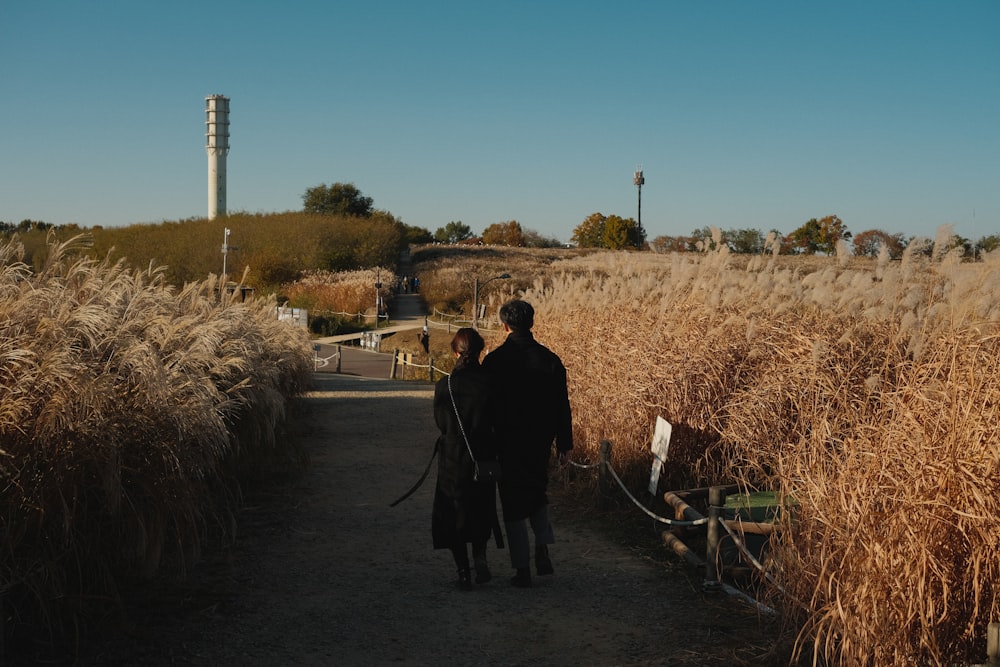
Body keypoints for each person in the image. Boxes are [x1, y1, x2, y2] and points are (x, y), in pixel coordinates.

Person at [481, 299, 573, 588]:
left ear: (505, 325)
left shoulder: (494, 362)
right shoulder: (550, 360)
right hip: (539, 441)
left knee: (511, 503)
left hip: (506, 442)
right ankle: (542, 546)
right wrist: (564, 443)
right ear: (531, 323)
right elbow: (562, 405)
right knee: (537, 490)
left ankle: (522, 569)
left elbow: (487, 408)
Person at [432, 327, 503, 590]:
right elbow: (499, 419)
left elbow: (441, 422)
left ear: (455, 352)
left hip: (453, 455)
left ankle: (463, 571)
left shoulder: (445, 385)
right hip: (484, 454)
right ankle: (480, 556)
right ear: (481, 351)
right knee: (482, 507)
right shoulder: (491, 383)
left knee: (454, 511)